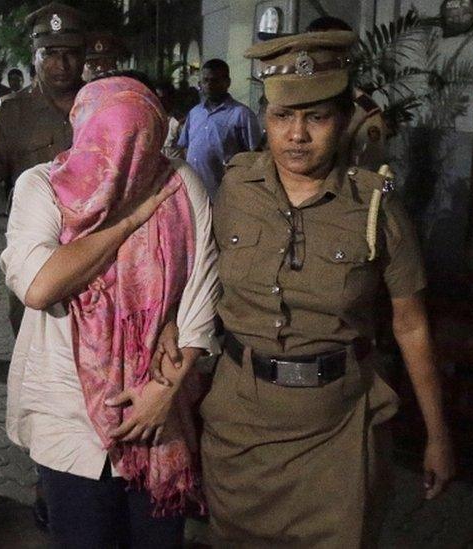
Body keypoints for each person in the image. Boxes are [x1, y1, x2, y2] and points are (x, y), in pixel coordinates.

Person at [198, 31, 455, 547]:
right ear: (264, 119)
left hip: (337, 432)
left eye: (316, 117)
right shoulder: (233, 189)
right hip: (238, 429)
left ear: (343, 121)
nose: (297, 135)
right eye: (281, 117)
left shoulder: (377, 207)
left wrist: (437, 433)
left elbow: (411, 325)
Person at [1, 75, 219, 547]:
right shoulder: (41, 187)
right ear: (83, 133)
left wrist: (164, 392)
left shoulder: (181, 185)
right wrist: (130, 220)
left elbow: (202, 295)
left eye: (138, 143)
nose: (123, 160)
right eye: (109, 143)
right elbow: (40, 286)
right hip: (69, 415)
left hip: (159, 416)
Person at [0, 2, 85, 336]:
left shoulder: (103, 105)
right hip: (33, 255)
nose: (61, 63)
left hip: (93, 253)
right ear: (34, 54)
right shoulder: (10, 113)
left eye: (70, 52)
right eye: (50, 53)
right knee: (32, 350)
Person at [305, 16, 390, 171]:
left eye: (327, 50)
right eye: (311, 50)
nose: (316, 59)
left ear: (346, 56)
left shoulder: (362, 111)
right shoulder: (291, 101)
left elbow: (365, 176)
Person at [177, 59, 262, 200]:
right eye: (205, 80)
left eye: (215, 80)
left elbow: (255, 155)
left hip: (225, 195)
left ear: (227, 83)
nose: (209, 85)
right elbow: (184, 147)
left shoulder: (241, 114)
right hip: (193, 194)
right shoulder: (195, 113)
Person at [154, 81, 183, 159]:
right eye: (156, 98)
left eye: (163, 99)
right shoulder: (151, 121)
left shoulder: (178, 122)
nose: (159, 102)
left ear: (171, 99)